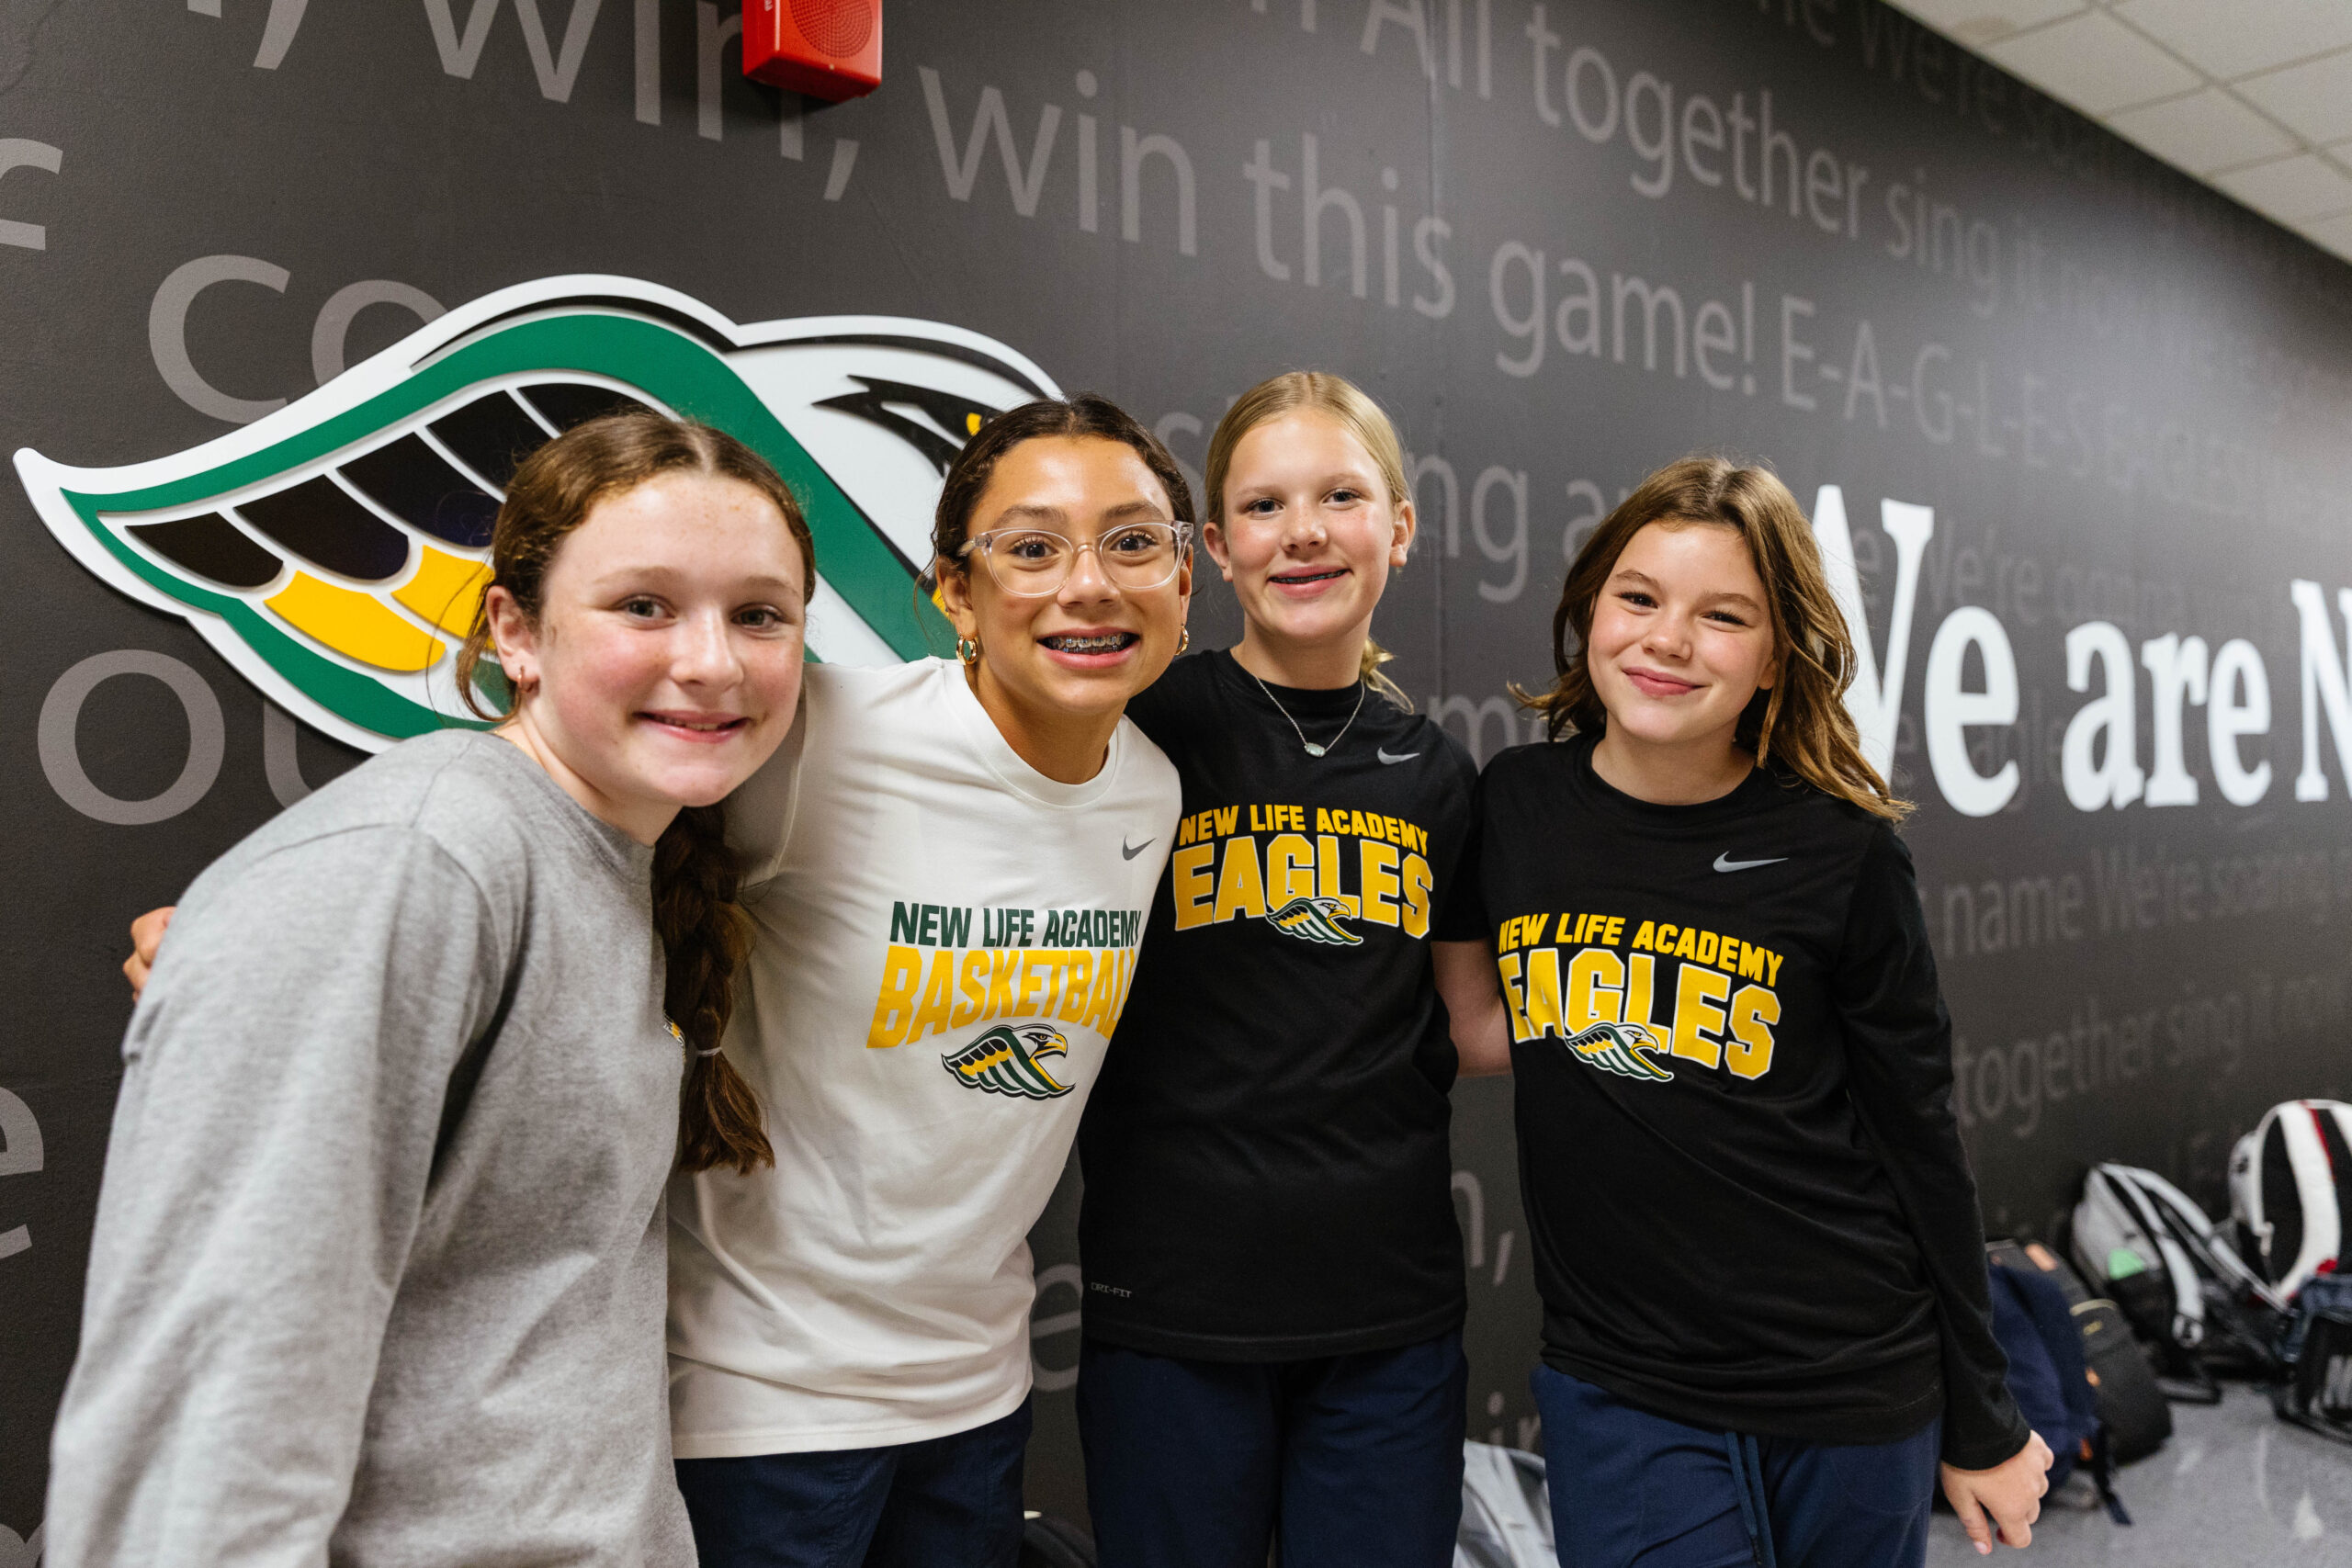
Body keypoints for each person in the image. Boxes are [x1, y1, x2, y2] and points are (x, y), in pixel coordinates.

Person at [57, 412, 813, 1568]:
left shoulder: (612, 860)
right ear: (516, 630)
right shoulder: (422, 856)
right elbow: (213, 1401)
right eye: (644, 606)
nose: (711, 661)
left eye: (758, 614)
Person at [1446, 456, 2052, 1567]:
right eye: (1638, 599)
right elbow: (1477, 1023)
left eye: (1721, 616)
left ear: (1775, 656)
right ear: (1589, 611)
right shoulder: (1515, 809)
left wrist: (1985, 1415)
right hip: (1620, 1385)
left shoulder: (1847, 854)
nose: (1667, 641)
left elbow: (1921, 1146)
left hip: (1849, 1379)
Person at [664, 393, 1191, 1568]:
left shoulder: (1152, 792)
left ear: (1184, 584)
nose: (1089, 583)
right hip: (766, 1398)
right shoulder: (826, 737)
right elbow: (577, 820)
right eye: (1032, 547)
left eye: (1133, 540)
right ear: (955, 592)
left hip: (978, 1397)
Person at [1070, 371, 1491, 1567]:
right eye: (1264, 504)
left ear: (1399, 528)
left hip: (1389, 1321)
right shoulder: (1147, 718)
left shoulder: (1438, 772)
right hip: (1175, 1307)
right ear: (1214, 547)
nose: (1304, 528)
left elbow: (1472, 1026)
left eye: (1342, 494)